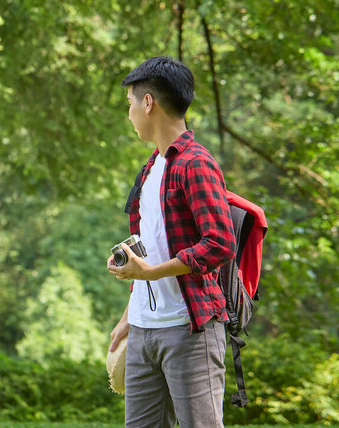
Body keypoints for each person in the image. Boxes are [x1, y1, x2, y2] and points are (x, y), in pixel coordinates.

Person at [107, 56, 236, 428]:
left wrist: (151, 272)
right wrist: (129, 316)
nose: (129, 113)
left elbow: (220, 242)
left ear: (149, 103)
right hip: (145, 330)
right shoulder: (151, 169)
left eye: (131, 103)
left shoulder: (196, 163)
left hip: (189, 329)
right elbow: (150, 248)